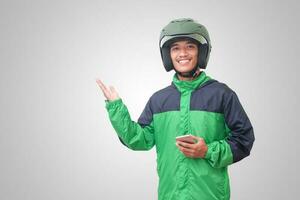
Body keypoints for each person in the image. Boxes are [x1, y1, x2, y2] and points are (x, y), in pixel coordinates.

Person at [96, 18, 254, 200]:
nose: (182, 54)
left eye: (190, 47)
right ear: (168, 55)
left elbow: (244, 139)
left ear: (201, 52)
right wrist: (116, 107)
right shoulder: (159, 100)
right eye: (175, 48)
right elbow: (138, 140)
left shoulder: (222, 95)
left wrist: (207, 151)